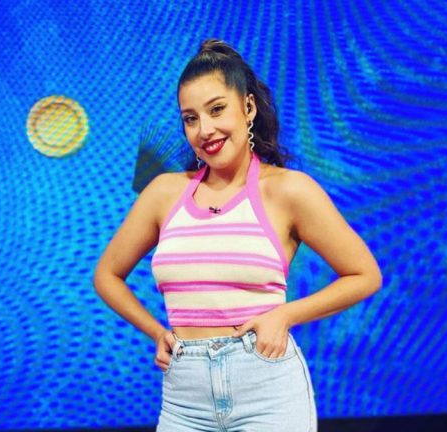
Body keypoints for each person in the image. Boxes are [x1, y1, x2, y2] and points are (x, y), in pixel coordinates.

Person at [93, 39, 382, 431]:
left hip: (268, 391)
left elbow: (364, 274)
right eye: (190, 118)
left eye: (217, 110)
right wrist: (156, 332)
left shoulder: (288, 190)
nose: (204, 130)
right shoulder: (164, 193)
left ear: (248, 108)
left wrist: (285, 315)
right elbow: (107, 275)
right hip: (185, 400)